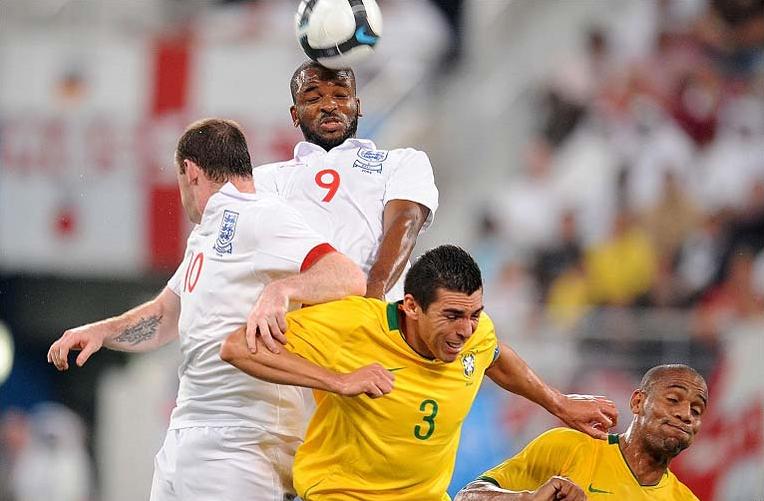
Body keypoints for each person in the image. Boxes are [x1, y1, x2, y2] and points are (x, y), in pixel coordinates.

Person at [47, 118, 366, 501]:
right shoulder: (205, 233)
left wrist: (283, 289)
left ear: (191, 172)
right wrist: (102, 331)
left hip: (244, 440)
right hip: (188, 433)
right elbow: (167, 315)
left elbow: (347, 276)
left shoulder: (261, 214)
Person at [220, 245, 618, 501]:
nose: (465, 330)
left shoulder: (475, 335)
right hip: (342, 495)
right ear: (411, 306)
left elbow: (495, 356)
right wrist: (337, 381)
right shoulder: (354, 325)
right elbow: (238, 347)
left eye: (474, 315)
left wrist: (559, 403)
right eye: (452, 316)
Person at [253, 60, 438, 308]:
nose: (329, 105)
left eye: (341, 95)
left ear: (357, 106)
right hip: (305, 326)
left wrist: (372, 298)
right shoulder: (267, 179)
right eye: (313, 98)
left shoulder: (401, 161)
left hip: (380, 317)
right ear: (295, 114)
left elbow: (406, 220)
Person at [455, 364, 707, 501]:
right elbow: (466, 496)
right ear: (638, 402)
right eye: (674, 399)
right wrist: (527, 499)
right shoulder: (569, 448)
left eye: (697, 410)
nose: (686, 414)